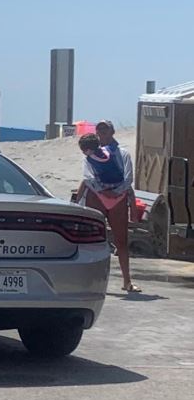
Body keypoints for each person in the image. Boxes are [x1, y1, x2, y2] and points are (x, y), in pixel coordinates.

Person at [76, 122, 139, 293]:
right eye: (99, 130)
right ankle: (89, 282)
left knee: (121, 240)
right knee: (92, 240)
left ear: (112, 132)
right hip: (97, 197)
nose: (102, 132)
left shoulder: (123, 153)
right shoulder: (89, 155)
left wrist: (115, 193)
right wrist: (102, 191)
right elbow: (87, 178)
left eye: (105, 129)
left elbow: (128, 178)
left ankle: (127, 281)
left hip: (118, 198)